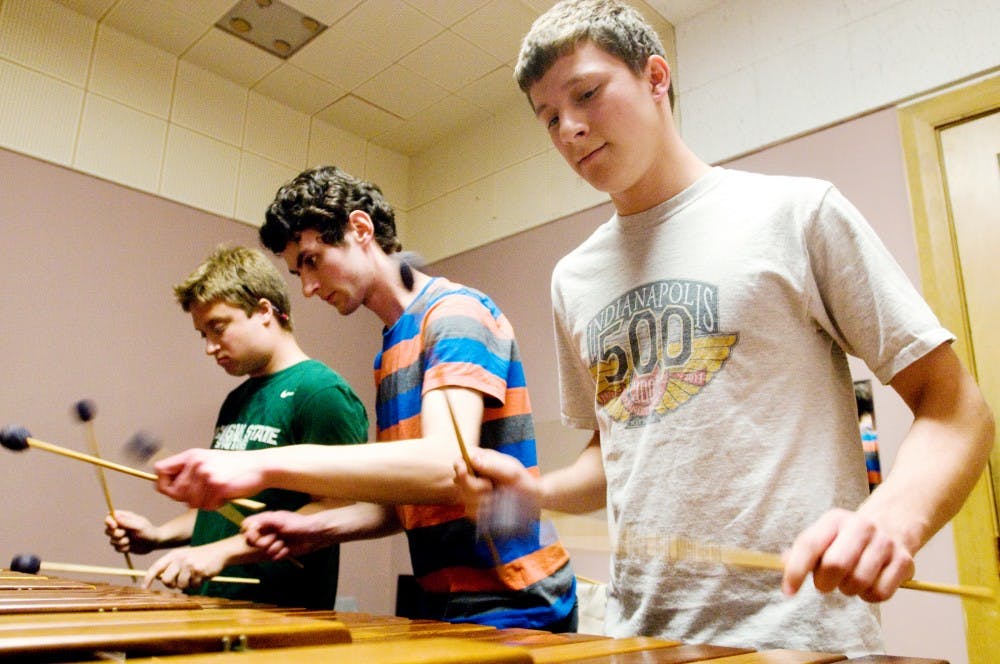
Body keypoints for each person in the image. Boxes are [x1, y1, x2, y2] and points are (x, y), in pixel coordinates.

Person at [453, 0, 994, 655]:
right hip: (640, 639)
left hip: (799, 637)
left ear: (656, 78)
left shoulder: (795, 213)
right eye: (548, 118)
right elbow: (617, 448)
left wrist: (893, 519)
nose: (569, 127)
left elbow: (955, 404)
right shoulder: (573, 279)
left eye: (587, 94)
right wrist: (538, 492)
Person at [152, 167, 578, 631]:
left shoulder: (454, 313)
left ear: (360, 229)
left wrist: (262, 465)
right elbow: (400, 504)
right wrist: (309, 529)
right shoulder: (392, 350)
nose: (309, 289)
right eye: (298, 272)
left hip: (517, 599)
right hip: (443, 599)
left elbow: (444, 466)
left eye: (312, 261)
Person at [104, 245, 368, 609]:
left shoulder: (322, 393)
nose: (210, 347)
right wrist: (158, 534)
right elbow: (223, 508)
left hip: (279, 616)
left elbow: (337, 509)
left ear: (263, 312)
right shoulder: (237, 399)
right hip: (212, 606)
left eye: (218, 328)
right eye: (203, 334)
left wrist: (220, 554)